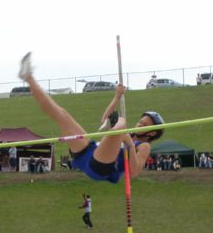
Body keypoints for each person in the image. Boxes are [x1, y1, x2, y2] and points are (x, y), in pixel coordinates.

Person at [19, 52, 163, 184]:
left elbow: (134, 171)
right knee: (62, 114)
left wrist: (130, 144)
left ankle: (117, 127)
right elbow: (104, 120)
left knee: (121, 125)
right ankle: (28, 77)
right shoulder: (127, 133)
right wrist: (117, 96)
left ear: (151, 132)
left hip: (102, 166)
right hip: (88, 152)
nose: (138, 125)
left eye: (143, 125)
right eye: (140, 122)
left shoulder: (144, 146)